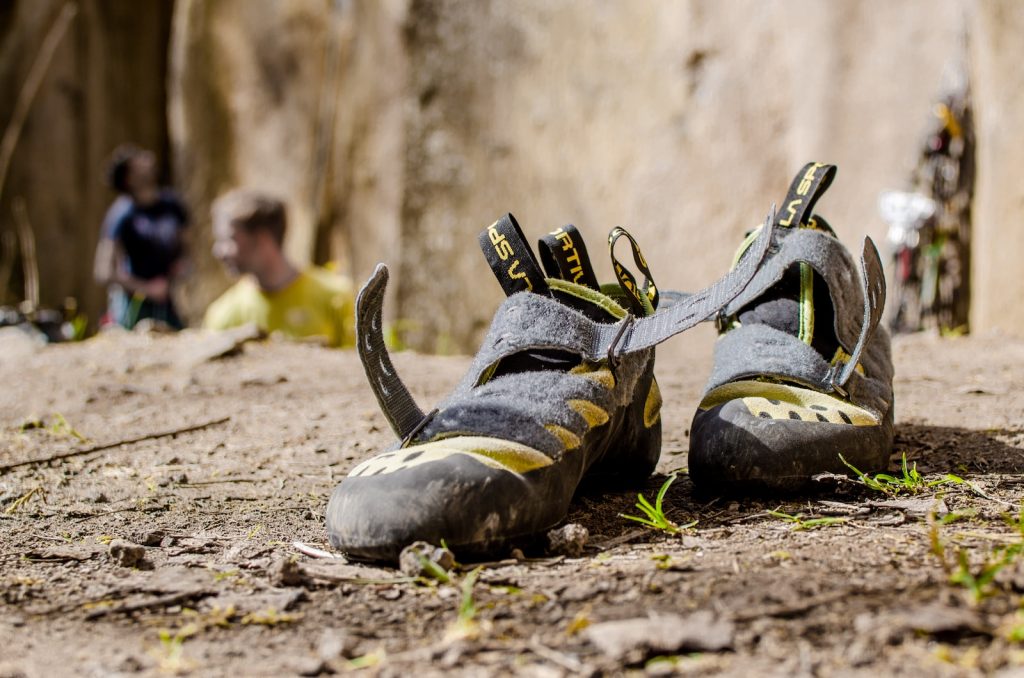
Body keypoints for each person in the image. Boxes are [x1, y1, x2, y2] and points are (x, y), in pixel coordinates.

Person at [203, 189, 355, 348]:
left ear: (262, 239)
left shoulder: (336, 297)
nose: (218, 251)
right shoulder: (223, 315)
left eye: (228, 240)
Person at [93, 145, 189, 329]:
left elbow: (186, 246)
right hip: (132, 306)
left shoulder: (172, 205)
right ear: (129, 178)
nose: (147, 159)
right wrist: (147, 288)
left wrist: (181, 267)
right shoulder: (121, 215)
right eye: (138, 162)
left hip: (168, 301)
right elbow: (103, 271)